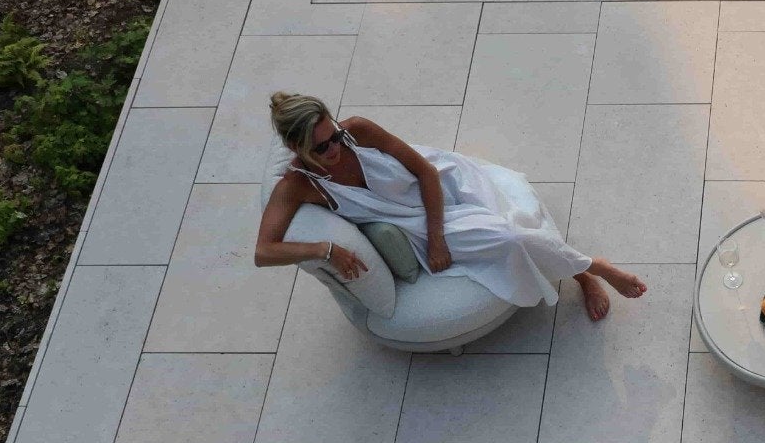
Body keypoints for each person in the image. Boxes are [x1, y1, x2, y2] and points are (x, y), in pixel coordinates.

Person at [253, 92, 646, 320]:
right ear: (295, 147)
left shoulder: (358, 129)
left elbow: (424, 170)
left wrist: (439, 236)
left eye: (335, 135)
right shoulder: (297, 186)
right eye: (322, 146)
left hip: (442, 186)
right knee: (508, 237)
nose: (335, 148)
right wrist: (326, 249)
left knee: (511, 224)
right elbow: (263, 251)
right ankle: (593, 268)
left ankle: (586, 273)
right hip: (414, 227)